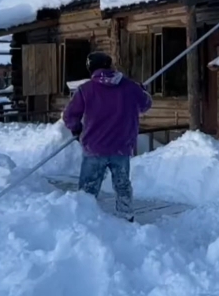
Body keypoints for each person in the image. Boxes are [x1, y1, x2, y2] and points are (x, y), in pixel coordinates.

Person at [63, 51, 152, 221]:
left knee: (88, 189)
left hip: (94, 147)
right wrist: (140, 91)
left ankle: (85, 219)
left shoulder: (85, 90)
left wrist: (76, 129)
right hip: (122, 147)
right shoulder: (130, 87)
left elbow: (69, 115)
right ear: (110, 65)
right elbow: (145, 104)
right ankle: (126, 216)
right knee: (122, 186)